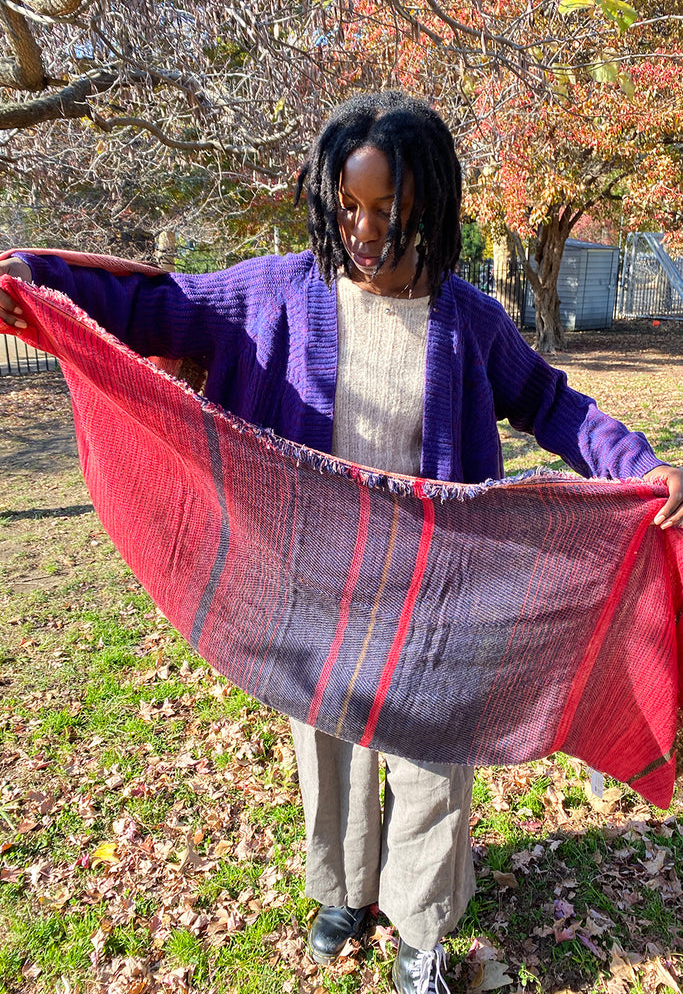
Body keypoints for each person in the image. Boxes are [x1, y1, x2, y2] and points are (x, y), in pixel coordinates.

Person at [1, 92, 682, 994]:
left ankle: (420, 930)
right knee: (326, 749)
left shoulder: (467, 320)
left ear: (428, 208)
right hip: (309, 583)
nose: (364, 230)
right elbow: (155, 303)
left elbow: (552, 403)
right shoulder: (273, 292)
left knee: (435, 764)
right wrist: (28, 280)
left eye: (387, 211)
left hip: (439, 590)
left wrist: (639, 463)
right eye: (347, 207)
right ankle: (341, 892)